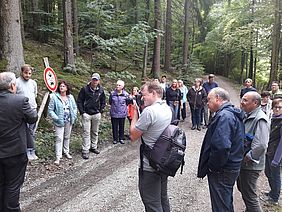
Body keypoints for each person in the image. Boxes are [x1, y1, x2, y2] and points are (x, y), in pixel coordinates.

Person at [197, 87, 245, 211]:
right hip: (230, 167)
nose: (207, 103)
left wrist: (213, 167)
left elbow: (222, 147)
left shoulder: (224, 116)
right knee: (225, 201)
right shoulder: (230, 113)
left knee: (220, 205)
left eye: (209, 100)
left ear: (218, 98)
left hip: (223, 170)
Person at [130, 81, 172, 212]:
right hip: (163, 160)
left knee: (151, 202)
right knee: (162, 197)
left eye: (144, 95)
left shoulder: (149, 112)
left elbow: (133, 136)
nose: (142, 98)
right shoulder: (167, 108)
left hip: (150, 164)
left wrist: (135, 113)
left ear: (154, 93)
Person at [0, 72, 38, 211]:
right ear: (12, 86)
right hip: (15, 150)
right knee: (13, 185)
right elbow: (33, 117)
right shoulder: (20, 101)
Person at [237, 91, 270, 212]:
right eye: (242, 99)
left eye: (245, 100)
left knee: (250, 196)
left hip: (251, 165)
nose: (242, 102)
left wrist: (249, 156)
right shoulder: (248, 115)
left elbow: (261, 143)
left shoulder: (260, 119)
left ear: (255, 103)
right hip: (244, 162)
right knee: (243, 188)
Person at [48, 80, 77, 165]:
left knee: (67, 137)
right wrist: (56, 118)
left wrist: (73, 115)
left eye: (63, 86)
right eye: (60, 86)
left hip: (68, 120)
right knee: (59, 138)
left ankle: (66, 151)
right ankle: (58, 156)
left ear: (67, 88)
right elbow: (50, 110)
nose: (61, 87)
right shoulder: (55, 97)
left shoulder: (70, 97)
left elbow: (74, 107)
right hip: (59, 121)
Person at [77, 73, 106, 159]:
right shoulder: (85, 89)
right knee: (86, 132)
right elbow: (79, 101)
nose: (94, 81)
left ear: (98, 81)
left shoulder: (101, 90)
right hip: (86, 114)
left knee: (95, 131)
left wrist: (100, 110)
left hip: (96, 114)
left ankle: (93, 147)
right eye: (93, 79)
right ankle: (85, 150)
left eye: (96, 80)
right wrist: (82, 112)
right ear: (91, 79)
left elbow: (103, 101)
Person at [262, 98, 282, 205]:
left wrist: (276, 159)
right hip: (269, 151)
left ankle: (275, 197)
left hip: (276, 154)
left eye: (280, 107)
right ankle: (272, 191)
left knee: (275, 175)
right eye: (275, 107)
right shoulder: (273, 118)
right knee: (268, 172)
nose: (277, 109)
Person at [16, 64, 38, 160]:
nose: (28, 75)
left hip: (32, 109)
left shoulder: (33, 83)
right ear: (22, 72)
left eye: (29, 73)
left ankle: (32, 150)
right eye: (26, 73)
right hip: (22, 111)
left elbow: (35, 94)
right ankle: (25, 152)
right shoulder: (16, 82)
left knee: (32, 131)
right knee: (24, 132)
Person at [109, 80, 129, 145]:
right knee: (114, 126)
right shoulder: (112, 94)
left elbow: (127, 103)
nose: (117, 86)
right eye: (117, 85)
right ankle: (115, 139)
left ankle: (121, 138)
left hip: (122, 113)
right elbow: (110, 102)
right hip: (114, 113)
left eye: (119, 85)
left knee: (121, 126)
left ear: (122, 86)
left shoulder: (126, 94)